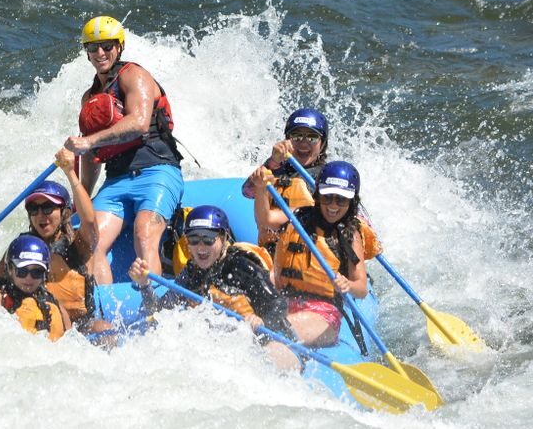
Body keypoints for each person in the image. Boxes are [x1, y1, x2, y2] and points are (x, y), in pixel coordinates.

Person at [64, 15, 184, 284]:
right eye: (93, 48)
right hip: (116, 181)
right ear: (86, 53)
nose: (100, 53)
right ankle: (103, 314)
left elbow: (139, 123)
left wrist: (90, 141)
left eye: (107, 45)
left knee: (144, 233)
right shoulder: (90, 97)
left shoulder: (134, 75)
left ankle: (150, 302)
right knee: (90, 244)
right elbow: (93, 156)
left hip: (157, 171)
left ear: (119, 47)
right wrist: (83, 196)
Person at [0, 148, 113, 335]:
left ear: (64, 212)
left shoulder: (77, 247)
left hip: (78, 330)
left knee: (105, 330)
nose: (41, 215)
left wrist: (70, 172)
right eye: (34, 209)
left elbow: (89, 221)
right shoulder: (21, 249)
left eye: (48, 208)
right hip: (38, 322)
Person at [127, 206, 302, 372]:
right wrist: (144, 285)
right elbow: (158, 313)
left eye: (208, 239)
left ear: (224, 238)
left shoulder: (241, 267)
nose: (201, 247)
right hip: (227, 348)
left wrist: (260, 320)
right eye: (193, 239)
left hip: (272, 340)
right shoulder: (191, 273)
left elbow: (277, 305)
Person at [260, 161, 372, 347]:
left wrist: (347, 285)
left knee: (275, 331)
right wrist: (262, 188)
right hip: (285, 301)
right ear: (318, 195)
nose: (333, 205)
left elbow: (361, 289)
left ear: (351, 202)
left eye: (341, 200)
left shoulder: (350, 234)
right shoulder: (299, 217)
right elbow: (266, 219)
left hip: (323, 313)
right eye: (327, 197)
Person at [243, 108, 329, 253]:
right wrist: (273, 162)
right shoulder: (276, 169)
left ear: (323, 144)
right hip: (272, 251)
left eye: (312, 137)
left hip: (307, 256)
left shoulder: (327, 177)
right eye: (296, 136)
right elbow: (247, 191)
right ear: (286, 140)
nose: (303, 143)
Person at [0, 235, 72, 341]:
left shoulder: (55, 304)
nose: (29, 278)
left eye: (37, 272)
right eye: (22, 271)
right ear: (10, 270)